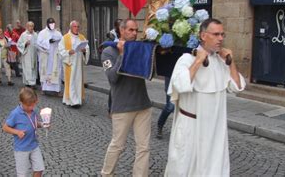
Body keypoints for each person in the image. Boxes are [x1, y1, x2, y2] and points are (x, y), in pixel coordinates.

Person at [164, 18, 246, 176]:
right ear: (203, 35)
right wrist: (199, 61)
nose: (221, 38)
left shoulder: (221, 62)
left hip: (215, 130)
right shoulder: (187, 59)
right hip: (192, 128)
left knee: (214, 169)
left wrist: (231, 62)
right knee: (185, 168)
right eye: (216, 34)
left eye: (222, 34)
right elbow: (179, 85)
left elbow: (237, 87)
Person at [101, 19, 152, 177]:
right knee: (118, 145)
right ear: (121, 31)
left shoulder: (139, 49)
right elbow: (112, 78)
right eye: (130, 30)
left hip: (143, 104)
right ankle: (106, 174)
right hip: (122, 106)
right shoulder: (108, 51)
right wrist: (123, 55)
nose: (134, 33)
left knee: (144, 147)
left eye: (136, 30)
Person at [3, 87, 46, 177]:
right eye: (29, 105)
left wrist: (42, 124)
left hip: (34, 146)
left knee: (39, 169)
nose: (31, 107)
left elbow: (33, 123)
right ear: (21, 102)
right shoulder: (15, 113)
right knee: (22, 174)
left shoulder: (33, 112)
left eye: (33, 105)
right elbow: (5, 128)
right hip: (21, 149)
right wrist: (17, 132)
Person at [59, 20, 90, 107]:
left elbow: (86, 48)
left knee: (78, 81)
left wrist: (85, 51)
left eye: (77, 27)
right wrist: (69, 52)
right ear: (71, 27)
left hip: (79, 64)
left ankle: (78, 99)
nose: (76, 28)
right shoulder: (65, 38)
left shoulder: (81, 37)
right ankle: (73, 101)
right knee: (71, 81)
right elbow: (60, 51)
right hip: (70, 63)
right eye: (74, 26)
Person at [36, 18, 63, 96]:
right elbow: (38, 43)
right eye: (50, 23)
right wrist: (48, 42)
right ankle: (44, 89)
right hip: (46, 56)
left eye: (53, 23)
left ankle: (57, 90)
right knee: (45, 71)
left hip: (55, 56)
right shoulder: (42, 33)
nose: (52, 25)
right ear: (47, 23)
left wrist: (58, 41)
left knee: (56, 71)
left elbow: (62, 42)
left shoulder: (58, 33)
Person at [17, 21, 38, 88]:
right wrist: (25, 44)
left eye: (32, 26)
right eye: (30, 26)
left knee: (33, 68)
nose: (31, 27)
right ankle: (29, 83)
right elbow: (18, 44)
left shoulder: (35, 35)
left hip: (34, 54)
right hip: (27, 54)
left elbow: (38, 44)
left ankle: (33, 82)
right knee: (27, 68)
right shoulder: (24, 34)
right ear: (27, 27)